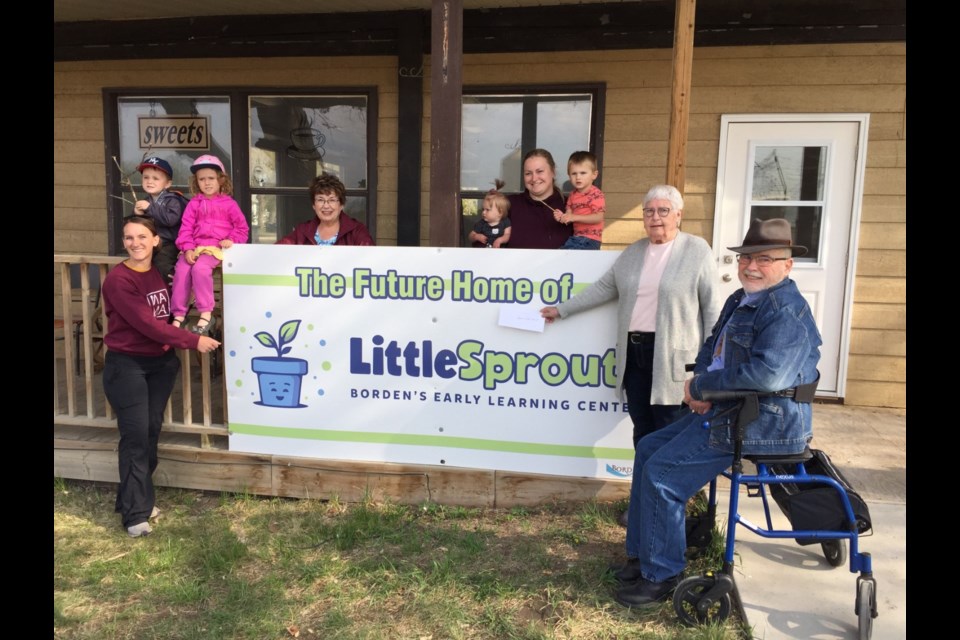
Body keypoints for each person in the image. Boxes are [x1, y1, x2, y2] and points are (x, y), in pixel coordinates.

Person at [610, 218, 822, 608]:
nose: (751, 267)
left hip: (763, 422)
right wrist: (704, 382)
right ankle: (641, 557)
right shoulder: (740, 299)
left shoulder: (786, 311)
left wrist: (705, 388)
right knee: (648, 449)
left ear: (787, 265)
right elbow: (711, 346)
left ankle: (663, 574)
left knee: (663, 475)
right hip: (730, 409)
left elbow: (768, 374)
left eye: (765, 259)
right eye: (746, 259)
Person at [541, 184, 721, 525]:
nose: (655, 218)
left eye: (663, 210)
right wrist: (561, 310)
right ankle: (642, 503)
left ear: (679, 215)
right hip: (636, 356)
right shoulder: (634, 252)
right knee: (643, 435)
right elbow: (604, 289)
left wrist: (707, 367)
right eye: (649, 211)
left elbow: (713, 310)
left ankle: (671, 508)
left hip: (673, 359)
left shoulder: (697, 251)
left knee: (670, 434)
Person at [102, 215, 221, 537]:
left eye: (142, 237)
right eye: (129, 238)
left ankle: (132, 499)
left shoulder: (157, 273)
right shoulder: (119, 280)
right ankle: (135, 515)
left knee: (150, 431)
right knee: (136, 437)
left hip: (160, 365)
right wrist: (194, 341)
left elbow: (169, 314)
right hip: (126, 366)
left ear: (156, 241)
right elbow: (147, 324)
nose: (135, 243)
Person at [171, 155, 249, 335]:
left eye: (211, 178)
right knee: (182, 270)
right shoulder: (193, 204)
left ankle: (206, 312)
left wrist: (232, 240)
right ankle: (179, 314)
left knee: (200, 269)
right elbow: (186, 228)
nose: (206, 183)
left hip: (215, 248)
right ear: (196, 182)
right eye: (202, 179)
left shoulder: (229, 204)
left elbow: (242, 228)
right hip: (195, 247)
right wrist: (187, 248)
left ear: (221, 179)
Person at [276, 173, 375, 247]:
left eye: (332, 200)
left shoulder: (357, 231)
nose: (326, 206)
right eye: (320, 200)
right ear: (314, 205)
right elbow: (275, 251)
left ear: (341, 204)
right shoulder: (302, 231)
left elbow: (371, 259)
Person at [133, 157, 189, 282]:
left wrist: (150, 209)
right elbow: (139, 227)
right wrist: (137, 215)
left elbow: (170, 220)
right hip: (150, 244)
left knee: (161, 266)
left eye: (155, 178)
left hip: (169, 244)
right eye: (146, 177)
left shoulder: (174, 200)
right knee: (138, 265)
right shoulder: (146, 201)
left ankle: (176, 288)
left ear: (168, 184)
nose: (149, 181)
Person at [506, 148, 572, 249]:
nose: (534, 178)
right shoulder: (509, 205)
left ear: (553, 171)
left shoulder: (570, 207)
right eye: (528, 173)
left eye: (540, 171)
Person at [555, 151, 605, 250]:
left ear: (594, 175)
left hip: (590, 240)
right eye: (574, 173)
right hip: (577, 238)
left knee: (563, 255)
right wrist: (562, 217)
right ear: (569, 176)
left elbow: (598, 217)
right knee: (560, 254)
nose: (578, 177)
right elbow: (569, 217)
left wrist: (574, 217)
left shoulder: (596, 194)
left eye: (583, 173)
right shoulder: (572, 195)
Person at [468, 180, 512, 248]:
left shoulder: (505, 222)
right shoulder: (482, 223)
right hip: (484, 253)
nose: (483, 212)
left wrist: (500, 240)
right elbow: (470, 236)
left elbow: (507, 235)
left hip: (500, 254)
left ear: (500, 212)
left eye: (487, 210)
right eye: (483, 209)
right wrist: (476, 236)